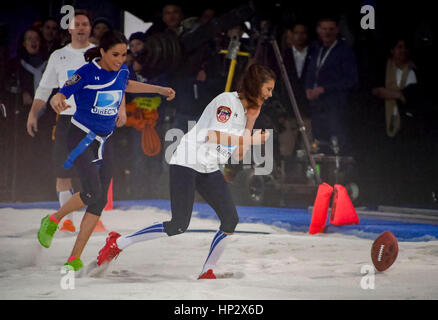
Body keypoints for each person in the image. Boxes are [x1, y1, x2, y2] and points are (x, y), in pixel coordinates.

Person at [95, 63, 274, 279]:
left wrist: (251, 122)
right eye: (268, 89)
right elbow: (213, 136)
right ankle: (118, 242)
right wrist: (253, 139)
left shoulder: (247, 112)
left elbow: (237, 155)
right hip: (187, 161)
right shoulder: (227, 102)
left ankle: (207, 270)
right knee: (178, 224)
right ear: (256, 86)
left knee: (230, 220)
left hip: (209, 166)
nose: (270, 95)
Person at [36, 30, 176, 271]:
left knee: (99, 200)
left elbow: (127, 84)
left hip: (105, 141)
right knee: (91, 192)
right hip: (80, 138)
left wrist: (159, 89)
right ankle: (52, 220)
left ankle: (73, 259)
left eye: (123, 54)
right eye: (115, 54)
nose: (120, 60)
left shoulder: (122, 70)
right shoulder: (87, 72)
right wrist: (57, 99)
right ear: (102, 52)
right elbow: (63, 91)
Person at [27, 11, 96, 233]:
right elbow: (45, 88)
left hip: (92, 119)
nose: (81, 28)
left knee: (93, 171)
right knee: (62, 170)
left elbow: (115, 84)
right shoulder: (58, 56)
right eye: (77, 24)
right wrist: (33, 113)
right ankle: (66, 220)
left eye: (85, 24)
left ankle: (92, 216)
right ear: (70, 28)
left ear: (90, 27)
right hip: (66, 120)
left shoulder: (98, 54)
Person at [305, 17, 358, 154]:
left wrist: (324, 89)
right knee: (319, 145)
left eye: (331, 29)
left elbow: (351, 80)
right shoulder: (316, 49)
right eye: (324, 29)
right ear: (318, 30)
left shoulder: (344, 51)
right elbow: (311, 72)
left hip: (335, 107)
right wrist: (308, 88)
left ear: (337, 31)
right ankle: (321, 174)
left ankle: (339, 174)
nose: (327, 32)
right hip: (317, 107)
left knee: (337, 144)